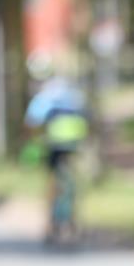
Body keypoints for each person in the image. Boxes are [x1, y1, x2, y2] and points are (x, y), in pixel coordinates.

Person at [23, 75, 88, 242]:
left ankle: (52, 222)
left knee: (53, 185)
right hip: (73, 147)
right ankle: (72, 220)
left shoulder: (45, 98)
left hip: (54, 148)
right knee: (70, 184)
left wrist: (32, 144)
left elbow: (32, 122)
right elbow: (87, 120)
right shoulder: (74, 97)